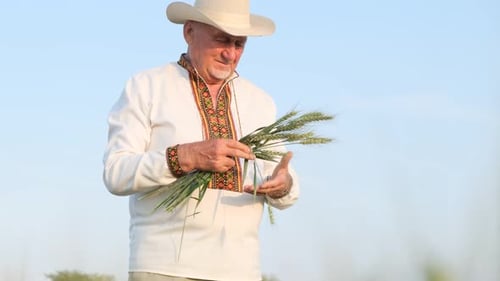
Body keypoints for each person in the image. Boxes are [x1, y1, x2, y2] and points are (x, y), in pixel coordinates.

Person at [103, 0, 299, 280]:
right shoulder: (147, 86)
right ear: (189, 31)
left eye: (239, 43)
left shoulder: (260, 102)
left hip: (240, 270)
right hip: (163, 268)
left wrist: (284, 185)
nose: (230, 54)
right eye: (221, 40)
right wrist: (185, 157)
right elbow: (116, 173)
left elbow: (284, 184)